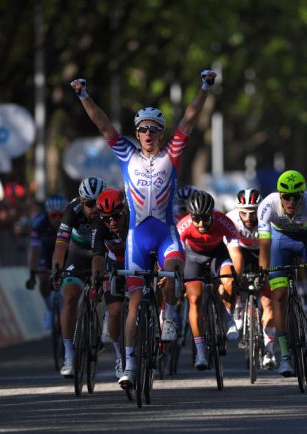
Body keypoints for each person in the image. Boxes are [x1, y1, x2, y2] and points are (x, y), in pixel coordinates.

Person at [71, 69, 216, 389]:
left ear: (161, 132)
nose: (147, 133)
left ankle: (168, 318)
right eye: (142, 129)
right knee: (134, 303)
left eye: (153, 129)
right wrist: (83, 95)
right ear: (136, 133)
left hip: (165, 234)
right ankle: (131, 368)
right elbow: (103, 124)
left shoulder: (171, 155)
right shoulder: (127, 155)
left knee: (173, 274)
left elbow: (189, 119)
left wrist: (204, 88)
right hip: (137, 238)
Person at [258, 170, 307, 377]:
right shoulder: (268, 205)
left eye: (295, 197)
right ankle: (286, 356)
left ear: (302, 196)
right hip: (280, 241)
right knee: (279, 295)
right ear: (279, 195)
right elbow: (264, 243)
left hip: (305, 239)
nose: (290, 201)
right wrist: (263, 270)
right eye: (286, 197)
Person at [178, 190, 243, 370]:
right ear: (190, 216)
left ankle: (228, 318)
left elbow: (236, 253)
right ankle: (200, 351)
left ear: (212, 214)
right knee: (194, 299)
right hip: (193, 257)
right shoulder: (183, 226)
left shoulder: (223, 221)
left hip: (217, 254)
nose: (200, 224)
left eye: (205, 219)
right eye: (196, 219)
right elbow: (174, 253)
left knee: (229, 280)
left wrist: (236, 278)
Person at [51, 176, 107, 377]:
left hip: (103, 252)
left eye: (98, 203)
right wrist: (57, 271)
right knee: (70, 296)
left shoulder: (110, 207)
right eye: (90, 204)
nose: (95, 209)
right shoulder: (72, 210)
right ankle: (68, 354)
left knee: (103, 291)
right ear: (82, 202)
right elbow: (60, 246)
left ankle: (100, 328)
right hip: (78, 252)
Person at [226, 188, 277, 369]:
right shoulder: (230, 219)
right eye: (244, 213)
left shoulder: (267, 217)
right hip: (241, 252)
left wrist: (265, 274)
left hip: (263, 252)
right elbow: (233, 254)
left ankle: (269, 351)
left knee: (268, 301)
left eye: (252, 213)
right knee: (233, 277)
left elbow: (268, 248)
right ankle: (238, 306)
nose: (248, 218)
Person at [91, 188, 129, 379]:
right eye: (107, 218)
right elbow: (98, 257)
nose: (112, 222)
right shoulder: (98, 226)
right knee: (115, 312)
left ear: (124, 210)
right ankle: (120, 357)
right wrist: (97, 279)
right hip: (114, 262)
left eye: (116, 216)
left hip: (135, 258)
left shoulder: (134, 219)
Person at [26, 194, 68, 329]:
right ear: (47, 213)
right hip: (46, 249)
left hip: (66, 250)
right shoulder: (39, 223)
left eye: (60, 215)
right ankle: (50, 310)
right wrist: (32, 274)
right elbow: (34, 250)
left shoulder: (70, 220)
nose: (57, 219)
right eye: (53, 215)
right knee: (43, 280)